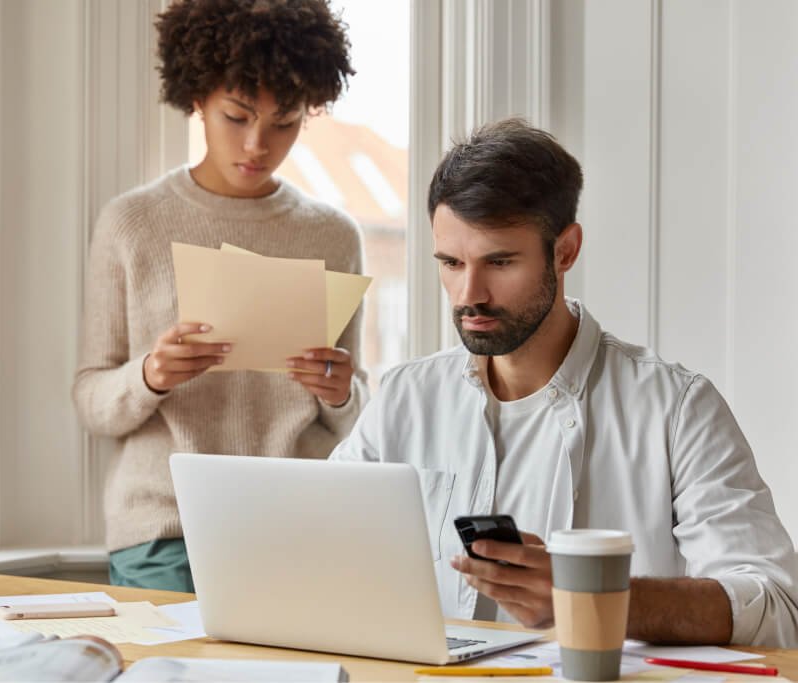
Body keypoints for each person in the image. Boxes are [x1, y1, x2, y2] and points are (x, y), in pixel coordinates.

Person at [329, 118, 798, 646]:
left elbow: (776, 606)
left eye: (499, 262)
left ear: (565, 250)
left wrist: (592, 598)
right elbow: (318, 541)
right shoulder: (405, 397)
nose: (468, 294)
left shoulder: (677, 407)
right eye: (451, 263)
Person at [73, 0, 367, 593]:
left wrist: (341, 393)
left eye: (283, 123)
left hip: (300, 523)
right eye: (236, 116)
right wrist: (151, 374)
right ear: (198, 99)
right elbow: (91, 398)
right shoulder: (132, 223)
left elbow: (355, 414)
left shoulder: (333, 236)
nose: (258, 144)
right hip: (164, 528)